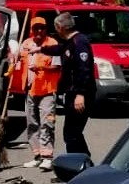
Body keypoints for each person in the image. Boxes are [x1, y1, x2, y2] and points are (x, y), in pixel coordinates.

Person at [34, 11, 95, 158]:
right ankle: (84, 162)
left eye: (56, 27)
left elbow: (84, 69)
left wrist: (80, 94)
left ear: (60, 27)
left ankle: (76, 166)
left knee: (71, 133)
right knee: (73, 133)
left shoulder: (79, 42)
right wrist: (40, 49)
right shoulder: (70, 43)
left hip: (80, 94)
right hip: (71, 93)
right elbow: (60, 49)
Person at [11, 16, 61, 170]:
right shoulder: (26, 44)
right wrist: (13, 60)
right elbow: (18, 61)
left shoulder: (52, 44)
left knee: (47, 123)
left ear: (46, 29)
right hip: (30, 89)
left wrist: (41, 68)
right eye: (36, 28)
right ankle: (37, 155)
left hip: (46, 90)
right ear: (31, 30)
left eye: (42, 28)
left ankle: (47, 156)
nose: (39, 31)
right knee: (32, 123)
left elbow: (57, 67)